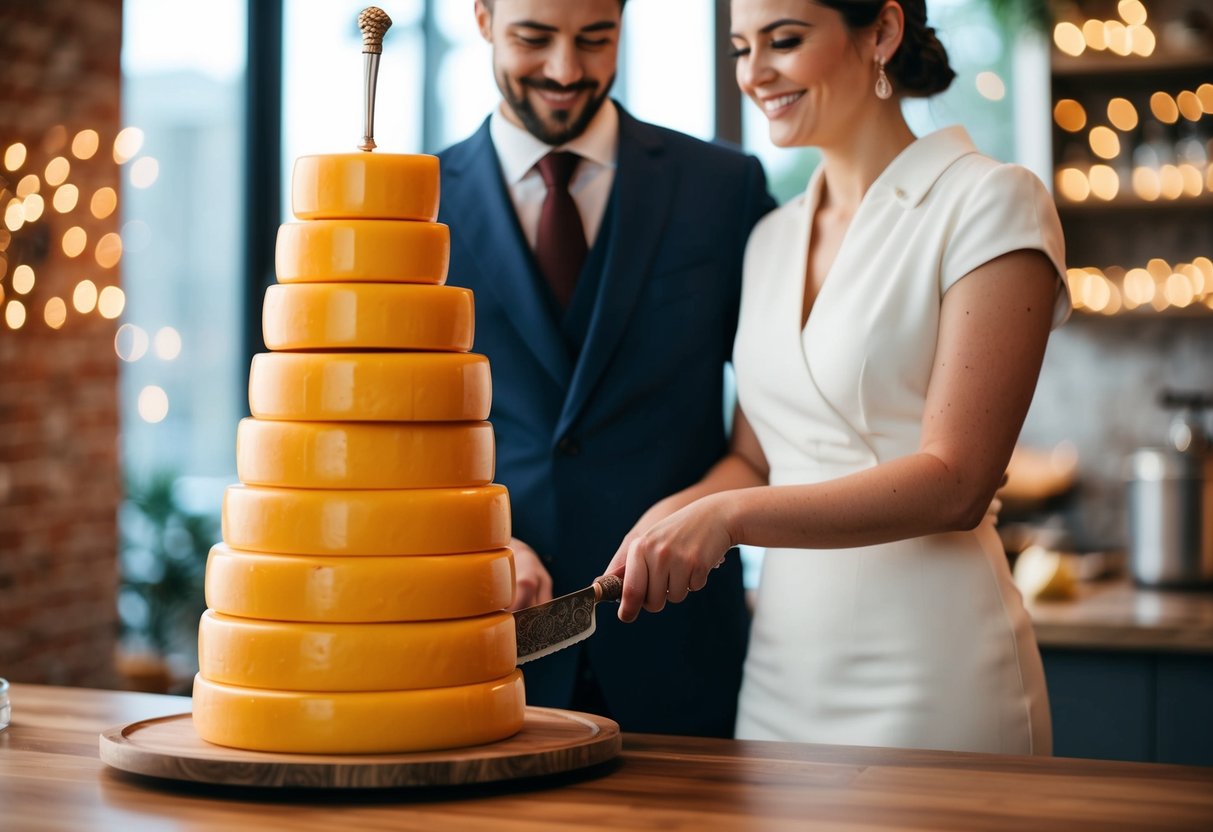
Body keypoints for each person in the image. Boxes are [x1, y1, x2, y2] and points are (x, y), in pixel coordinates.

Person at [609, 0, 1069, 755]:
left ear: (881, 33)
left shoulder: (987, 200)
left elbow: (957, 482)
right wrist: (675, 512)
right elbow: (755, 459)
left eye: (783, 42)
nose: (754, 74)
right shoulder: (768, 238)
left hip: (933, 672)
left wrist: (728, 519)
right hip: (781, 674)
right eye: (737, 48)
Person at [436, 0, 776, 736]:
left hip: (682, 657)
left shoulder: (725, 188)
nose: (566, 71)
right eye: (534, 39)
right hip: (475, 653)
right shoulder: (413, 206)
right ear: (483, 18)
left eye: (595, 40)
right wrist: (469, 537)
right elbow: (374, 434)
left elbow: (776, 414)